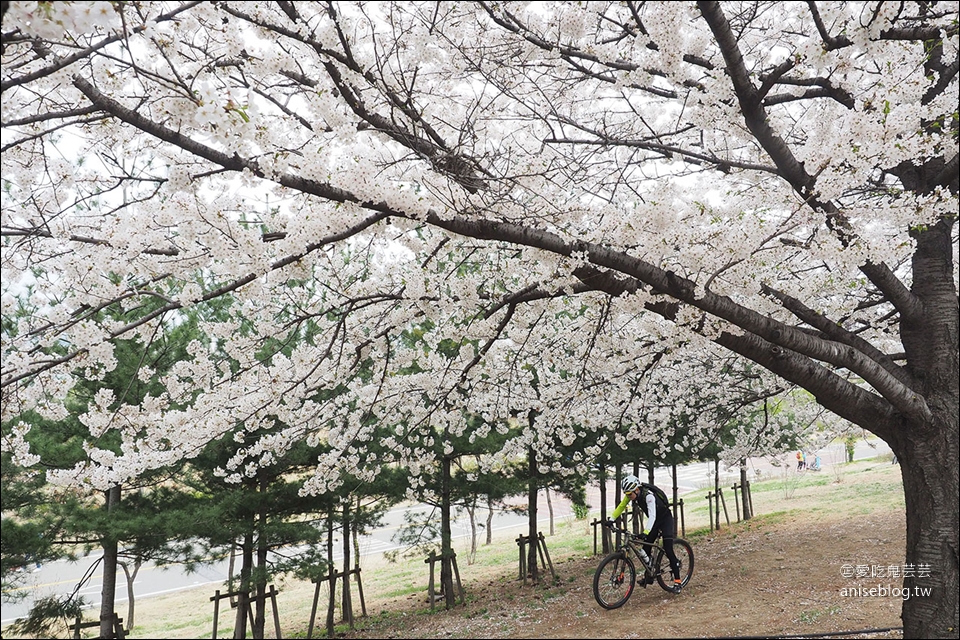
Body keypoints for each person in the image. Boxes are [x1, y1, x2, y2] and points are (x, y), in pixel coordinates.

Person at [607, 474, 684, 593]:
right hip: (654, 522)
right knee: (645, 550)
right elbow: (621, 506)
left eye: (629, 494)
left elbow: (652, 516)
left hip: (665, 520)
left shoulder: (649, 496)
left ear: (636, 490)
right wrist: (611, 519)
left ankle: (678, 582)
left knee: (668, 549)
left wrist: (645, 532)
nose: (628, 497)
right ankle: (650, 575)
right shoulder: (632, 494)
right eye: (626, 494)